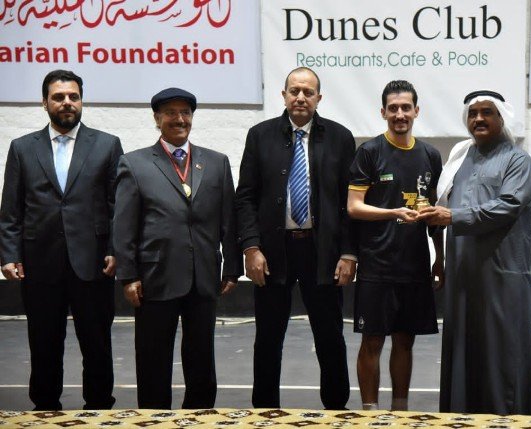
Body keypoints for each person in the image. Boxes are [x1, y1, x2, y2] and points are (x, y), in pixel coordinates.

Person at [0, 69, 122, 410]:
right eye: (58, 97)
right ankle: (44, 409)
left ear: (81, 101)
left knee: (97, 342)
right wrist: (8, 255)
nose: (67, 102)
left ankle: (99, 407)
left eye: (73, 96)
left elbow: (118, 205)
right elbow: (11, 210)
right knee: (44, 342)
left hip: (94, 262)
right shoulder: (22, 148)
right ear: (44, 103)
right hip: (39, 263)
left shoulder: (107, 144)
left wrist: (115, 249)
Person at [235, 67, 356, 409]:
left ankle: (336, 409)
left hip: (323, 251)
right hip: (273, 252)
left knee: (330, 335)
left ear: (319, 97)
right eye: (294, 91)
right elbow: (245, 197)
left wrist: (349, 253)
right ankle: (264, 410)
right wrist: (251, 247)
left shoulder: (340, 137)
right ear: (284, 95)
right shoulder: (260, 135)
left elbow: (349, 202)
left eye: (308, 92)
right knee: (268, 337)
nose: (301, 97)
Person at [113, 88, 240, 409]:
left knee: (202, 358)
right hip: (155, 277)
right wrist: (128, 276)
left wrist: (232, 268)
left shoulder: (216, 162)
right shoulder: (134, 163)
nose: (179, 119)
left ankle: (199, 416)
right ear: (157, 119)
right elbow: (124, 226)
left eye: (185, 113)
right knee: (153, 357)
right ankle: (154, 418)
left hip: (204, 276)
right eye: (170, 113)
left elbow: (228, 219)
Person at [418, 90, 531, 415]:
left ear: (502, 118)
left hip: (502, 274)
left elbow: (509, 205)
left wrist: (453, 217)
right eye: (473, 113)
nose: (479, 119)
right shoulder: (460, 158)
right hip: (463, 274)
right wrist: (440, 258)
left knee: (503, 354)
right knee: (463, 349)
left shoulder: (517, 160)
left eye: (487, 112)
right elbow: (441, 206)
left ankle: (506, 420)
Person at [347, 80, 443, 411]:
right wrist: (393, 212)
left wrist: (440, 258)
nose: (399, 114)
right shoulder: (370, 152)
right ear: (383, 112)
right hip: (377, 265)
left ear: (416, 111)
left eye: (405, 108)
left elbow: (434, 215)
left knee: (405, 340)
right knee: (372, 340)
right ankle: (370, 412)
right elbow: (353, 207)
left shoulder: (430, 155)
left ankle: (399, 410)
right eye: (393, 108)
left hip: (414, 265)